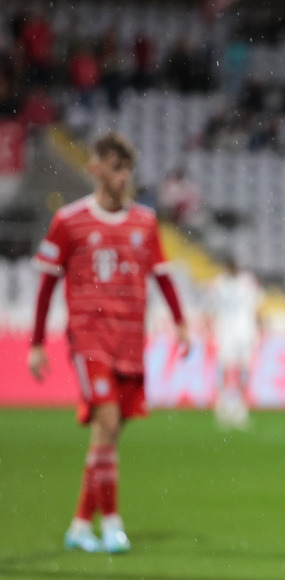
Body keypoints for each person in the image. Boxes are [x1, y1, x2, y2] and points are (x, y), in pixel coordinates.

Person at [28, 131, 189, 554]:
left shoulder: (144, 223)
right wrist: (37, 342)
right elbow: (46, 283)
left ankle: (81, 524)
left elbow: (163, 276)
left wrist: (181, 323)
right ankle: (113, 523)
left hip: (130, 340)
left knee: (109, 435)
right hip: (90, 338)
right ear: (95, 168)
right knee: (108, 422)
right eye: (116, 167)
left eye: (127, 168)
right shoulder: (69, 221)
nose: (124, 176)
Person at [207, 255, 263, 429]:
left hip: (245, 331)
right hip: (225, 331)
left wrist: (259, 324)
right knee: (223, 367)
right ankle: (223, 403)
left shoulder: (247, 282)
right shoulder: (218, 284)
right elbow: (211, 308)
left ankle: (239, 404)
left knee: (244, 367)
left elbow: (256, 305)